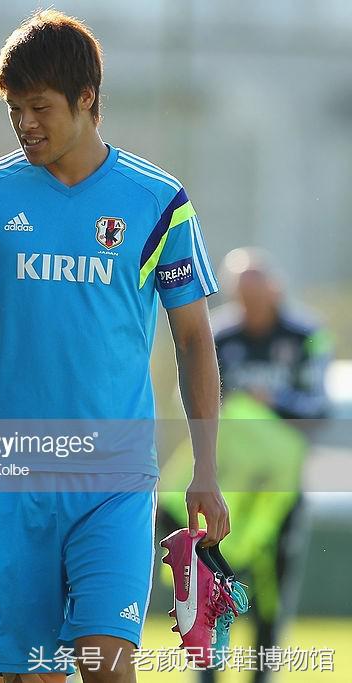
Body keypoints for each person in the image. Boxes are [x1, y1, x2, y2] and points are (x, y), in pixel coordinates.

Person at [0, 9, 229, 681]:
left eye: (40, 107)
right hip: (9, 476)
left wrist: (205, 465)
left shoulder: (157, 201)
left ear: (87, 99)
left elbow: (194, 339)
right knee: (33, 672)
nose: (25, 123)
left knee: (106, 664)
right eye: (14, 110)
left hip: (113, 479)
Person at [163, 246, 331, 683]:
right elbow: (192, 403)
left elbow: (319, 410)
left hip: (277, 489)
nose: (251, 302)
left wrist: (273, 401)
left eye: (258, 290)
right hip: (227, 485)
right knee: (210, 587)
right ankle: (206, 673)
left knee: (270, 591)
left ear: (275, 289)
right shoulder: (220, 336)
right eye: (242, 293)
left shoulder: (305, 335)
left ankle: (262, 676)